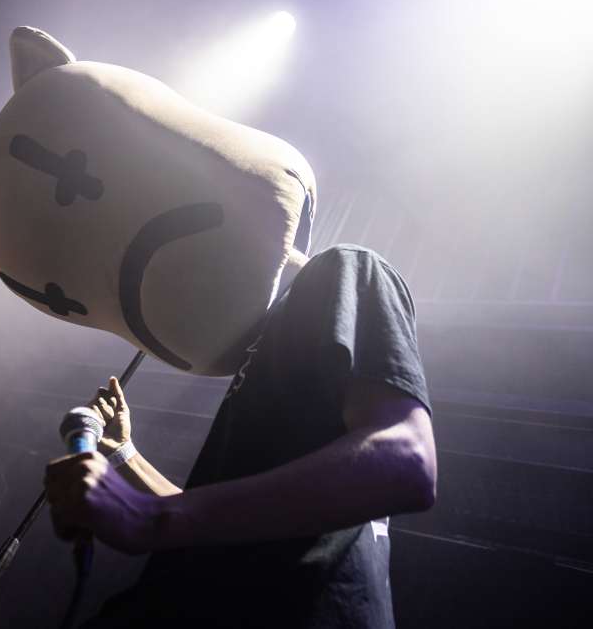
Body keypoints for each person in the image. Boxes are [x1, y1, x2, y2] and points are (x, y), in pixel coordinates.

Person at [45, 245, 436, 627]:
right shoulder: (262, 344)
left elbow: (407, 460)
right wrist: (123, 454)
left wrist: (151, 518)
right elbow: (216, 523)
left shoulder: (341, 269)